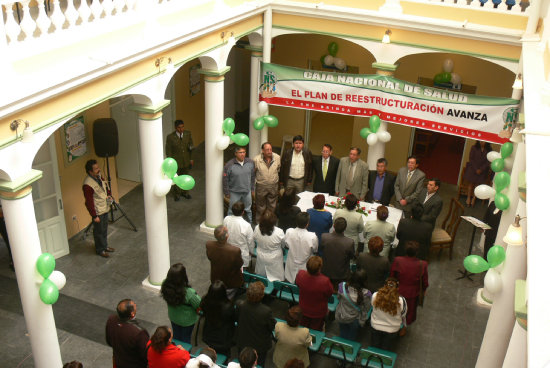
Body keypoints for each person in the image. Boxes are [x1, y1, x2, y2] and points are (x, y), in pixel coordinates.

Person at [235, 281, 276, 367]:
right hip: (260, 345)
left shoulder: (240, 305)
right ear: (261, 295)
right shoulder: (266, 311)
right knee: (259, 365)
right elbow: (272, 326)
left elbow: (237, 318)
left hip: (243, 341)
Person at [391, 241, 429, 327]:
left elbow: (392, 276)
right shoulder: (423, 264)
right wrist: (423, 290)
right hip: (413, 293)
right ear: (417, 252)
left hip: (398, 291)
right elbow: (425, 282)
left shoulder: (398, 260)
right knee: (409, 312)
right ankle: (403, 327)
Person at [160, 263, 201, 343]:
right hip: (187, 321)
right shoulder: (189, 293)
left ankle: (175, 350)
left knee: (176, 336)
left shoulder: (165, 285)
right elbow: (199, 304)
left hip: (173, 317)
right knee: (186, 338)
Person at [82, 159, 114, 258]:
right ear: (90, 171)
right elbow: (89, 202)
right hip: (98, 212)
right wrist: (94, 215)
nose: (99, 169)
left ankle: (105, 246)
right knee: (98, 232)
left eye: (98, 167)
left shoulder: (99, 177)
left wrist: (109, 195)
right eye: (96, 169)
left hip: (104, 208)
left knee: (104, 229)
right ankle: (100, 250)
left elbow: (105, 188)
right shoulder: (87, 185)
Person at [105, 299, 150, 368]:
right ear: (132, 314)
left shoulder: (111, 319)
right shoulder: (139, 332)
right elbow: (146, 354)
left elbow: (109, 341)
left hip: (118, 361)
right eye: (134, 305)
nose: (135, 305)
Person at [295, 256, 333, 331]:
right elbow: (329, 293)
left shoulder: (300, 274)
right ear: (319, 268)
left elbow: (298, 284)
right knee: (316, 331)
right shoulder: (325, 281)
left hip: (303, 308)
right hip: (318, 312)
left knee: (302, 328)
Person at [206, 225, 244, 297]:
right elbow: (240, 264)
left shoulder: (209, 245)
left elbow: (210, 257)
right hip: (230, 282)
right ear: (227, 236)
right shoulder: (235, 251)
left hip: (215, 278)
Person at [370, 278, 407, 351]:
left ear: (384, 286)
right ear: (397, 288)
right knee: (386, 348)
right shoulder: (401, 301)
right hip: (392, 329)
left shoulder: (375, 295)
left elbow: (372, 306)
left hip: (375, 326)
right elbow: (403, 314)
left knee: (374, 345)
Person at [201, 281, 236, 357]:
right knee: (224, 357)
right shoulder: (228, 307)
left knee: (211, 354)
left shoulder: (205, 301)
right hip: (224, 338)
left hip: (209, 334)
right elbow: (233, 319)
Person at [335, 270, 372, 340]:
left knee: (342, 332)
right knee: (352, 336)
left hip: (341, 315)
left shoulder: (342, 286)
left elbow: (338, 298)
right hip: (355, 319)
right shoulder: (367, 294)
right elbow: (367, 308)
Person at [320, 217, 355, 290]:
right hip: (341, 276)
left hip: (326, 272)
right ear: (345, 228)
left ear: (333, 226)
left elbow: (321, 249)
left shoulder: (324, 237)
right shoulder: (349, 242)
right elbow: (352, 257)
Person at [284, 212, 318, 283]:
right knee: (303, 283)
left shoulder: (289, 232)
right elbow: (315, 250)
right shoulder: (312, 236)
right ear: (307, 224)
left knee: (289, 281)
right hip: (304, 265)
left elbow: (287, 245)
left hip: (291, 263)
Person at [223, 146, 255, 222]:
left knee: (248, 210)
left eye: (244, 152)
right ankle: (229, 225)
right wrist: (226, 192)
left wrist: (252, 188)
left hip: (247, 192)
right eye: (240, 152)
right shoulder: (229, 165)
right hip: (234, 192)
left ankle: (248, 225)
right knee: (231, 210)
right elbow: (225, 179)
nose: (242, 154)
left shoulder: (250, 162)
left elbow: (253, 177)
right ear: (235, 154)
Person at [165, 119, 194, 201]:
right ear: (175, 128)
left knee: (185, 177)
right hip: (176, 162)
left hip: (186, 160)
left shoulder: (187, 134)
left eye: (182, 127)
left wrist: (191, 158)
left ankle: (185, 192)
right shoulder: (170, 137)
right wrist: (170, 163)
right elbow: (168, 151)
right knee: (176, 178)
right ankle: (177, 194)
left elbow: (191, 147)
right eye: (179, 127)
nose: (181, 129)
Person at [254, 209, 286, 281]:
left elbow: (254, 239)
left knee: (261, 274)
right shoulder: (279, 232)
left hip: (261, 255)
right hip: (275, 257)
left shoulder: (256, 228)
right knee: (276, 276)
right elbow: (283, 244)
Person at [223, 201, 254, 270]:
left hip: (228, 251)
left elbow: (224, 234)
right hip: (241, 255)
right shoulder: (247, 226)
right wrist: (251, 252)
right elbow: (250, 242)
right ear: (243, 212)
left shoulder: (226, 219)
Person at [254, 142, 281, 217]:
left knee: (272, 206)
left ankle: (270, 222)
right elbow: (254, 172)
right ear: (262, 150)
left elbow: (278, 169)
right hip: (261, 186)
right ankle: (259, 223)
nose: (269, 151)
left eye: (270, 149)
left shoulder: (277, 157)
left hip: (273, 185)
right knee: (260, 206)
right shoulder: (256, 159)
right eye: (267, 150)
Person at [464, 140, 492, 207]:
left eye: (484, 141)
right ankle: (468, 198)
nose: (482, 142)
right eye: (481, 141)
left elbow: (488, 161)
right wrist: (476, 169)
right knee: (471, 184)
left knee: (477, 185)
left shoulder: (489, 150)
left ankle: (474, 199)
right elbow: (471, 158)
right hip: (473, 169)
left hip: (482, 170)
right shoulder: (474, 147)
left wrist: (481, 169)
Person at [0, 205, 13, 271]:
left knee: (10, 241)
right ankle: (13, 260)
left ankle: (13, 260)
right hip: (2, 220)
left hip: (4, 219)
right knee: (9, 241)